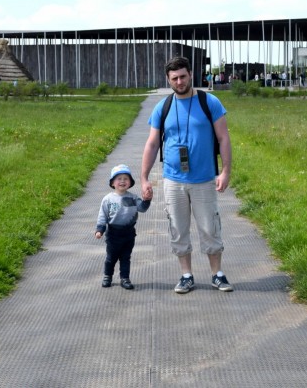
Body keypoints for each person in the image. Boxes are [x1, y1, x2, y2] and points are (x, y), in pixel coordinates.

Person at [141, 56, 233, 294]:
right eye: (174, 78)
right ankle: (186, 275)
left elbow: (223, 138)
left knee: (210, 228)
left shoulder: (209, 102)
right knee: (178, 229)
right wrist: (144, 177)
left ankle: (217, 275)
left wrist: (224, 171)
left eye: (183, 76)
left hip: (203, 179)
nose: (179, 81)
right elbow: (152, 144)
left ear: (191, 74)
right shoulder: (163, 107)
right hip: (173, 180)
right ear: (168, 80)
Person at [95, 164, 151, 290]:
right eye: (119, 179)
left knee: (126, 258)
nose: (122, 181)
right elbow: (102, 215)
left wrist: (147, 200)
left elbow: (142, 209)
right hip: (113, 234)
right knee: (111, 258)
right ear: (112, 183)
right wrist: (100, 229)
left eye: (125, 179)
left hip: (129, 234)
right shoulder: (108, 199)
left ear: (130, 182)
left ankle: (125, 278)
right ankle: (107, 276)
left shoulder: (133, 198)